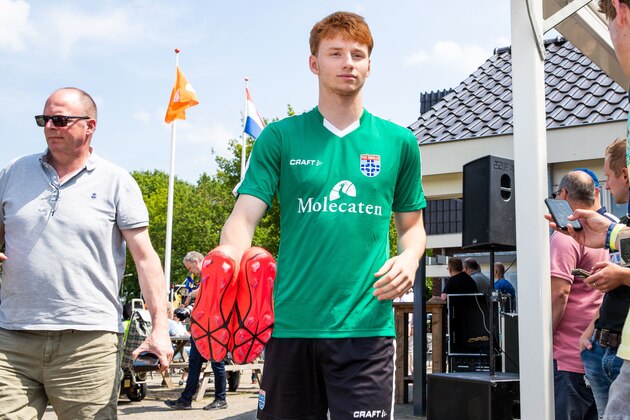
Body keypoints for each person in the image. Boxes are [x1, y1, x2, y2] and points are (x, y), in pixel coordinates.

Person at [212, 11, 426, 419]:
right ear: (314, 63)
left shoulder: (400, 142)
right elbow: (243, 218)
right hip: (291, 325)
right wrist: (228, 262)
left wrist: (410, 257)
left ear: (369, 65)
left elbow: (412, 227)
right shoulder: (280, 136)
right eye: (336, 53)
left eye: (358, 54)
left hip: (366, 328)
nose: (348, 62)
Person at [0, 87, 172, 419]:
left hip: (88, 343)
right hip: (13, 340)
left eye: (60, 119)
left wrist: (160, 328)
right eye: (44, 119)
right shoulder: (12, 174)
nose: (50, 126)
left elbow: (146, 259)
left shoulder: (117, 181)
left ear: (89, 126)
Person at [550, 171, 612, 420]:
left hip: (567, 359)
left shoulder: (566, 237)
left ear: (563, 195)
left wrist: (540, 341)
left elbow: (559, 294)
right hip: (597, 355)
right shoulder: (608, 233)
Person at [575, 137, 630, 418]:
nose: (606, 185)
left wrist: (620, 275)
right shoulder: (625, 224)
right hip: (603, 348)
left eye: (608, 176)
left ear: (625, 174)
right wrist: (591, 332)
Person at [165, 251, 228, 411]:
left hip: (214, 326)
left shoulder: (212, 272)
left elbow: (212, 292)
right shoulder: (203, 278)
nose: (190, 271)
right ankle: (186, 400)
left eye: (190, 267)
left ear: (196, 261)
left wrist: (192, 294)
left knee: (216, 363)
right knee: (194, 363)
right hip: (200, 327)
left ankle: (221, 399)